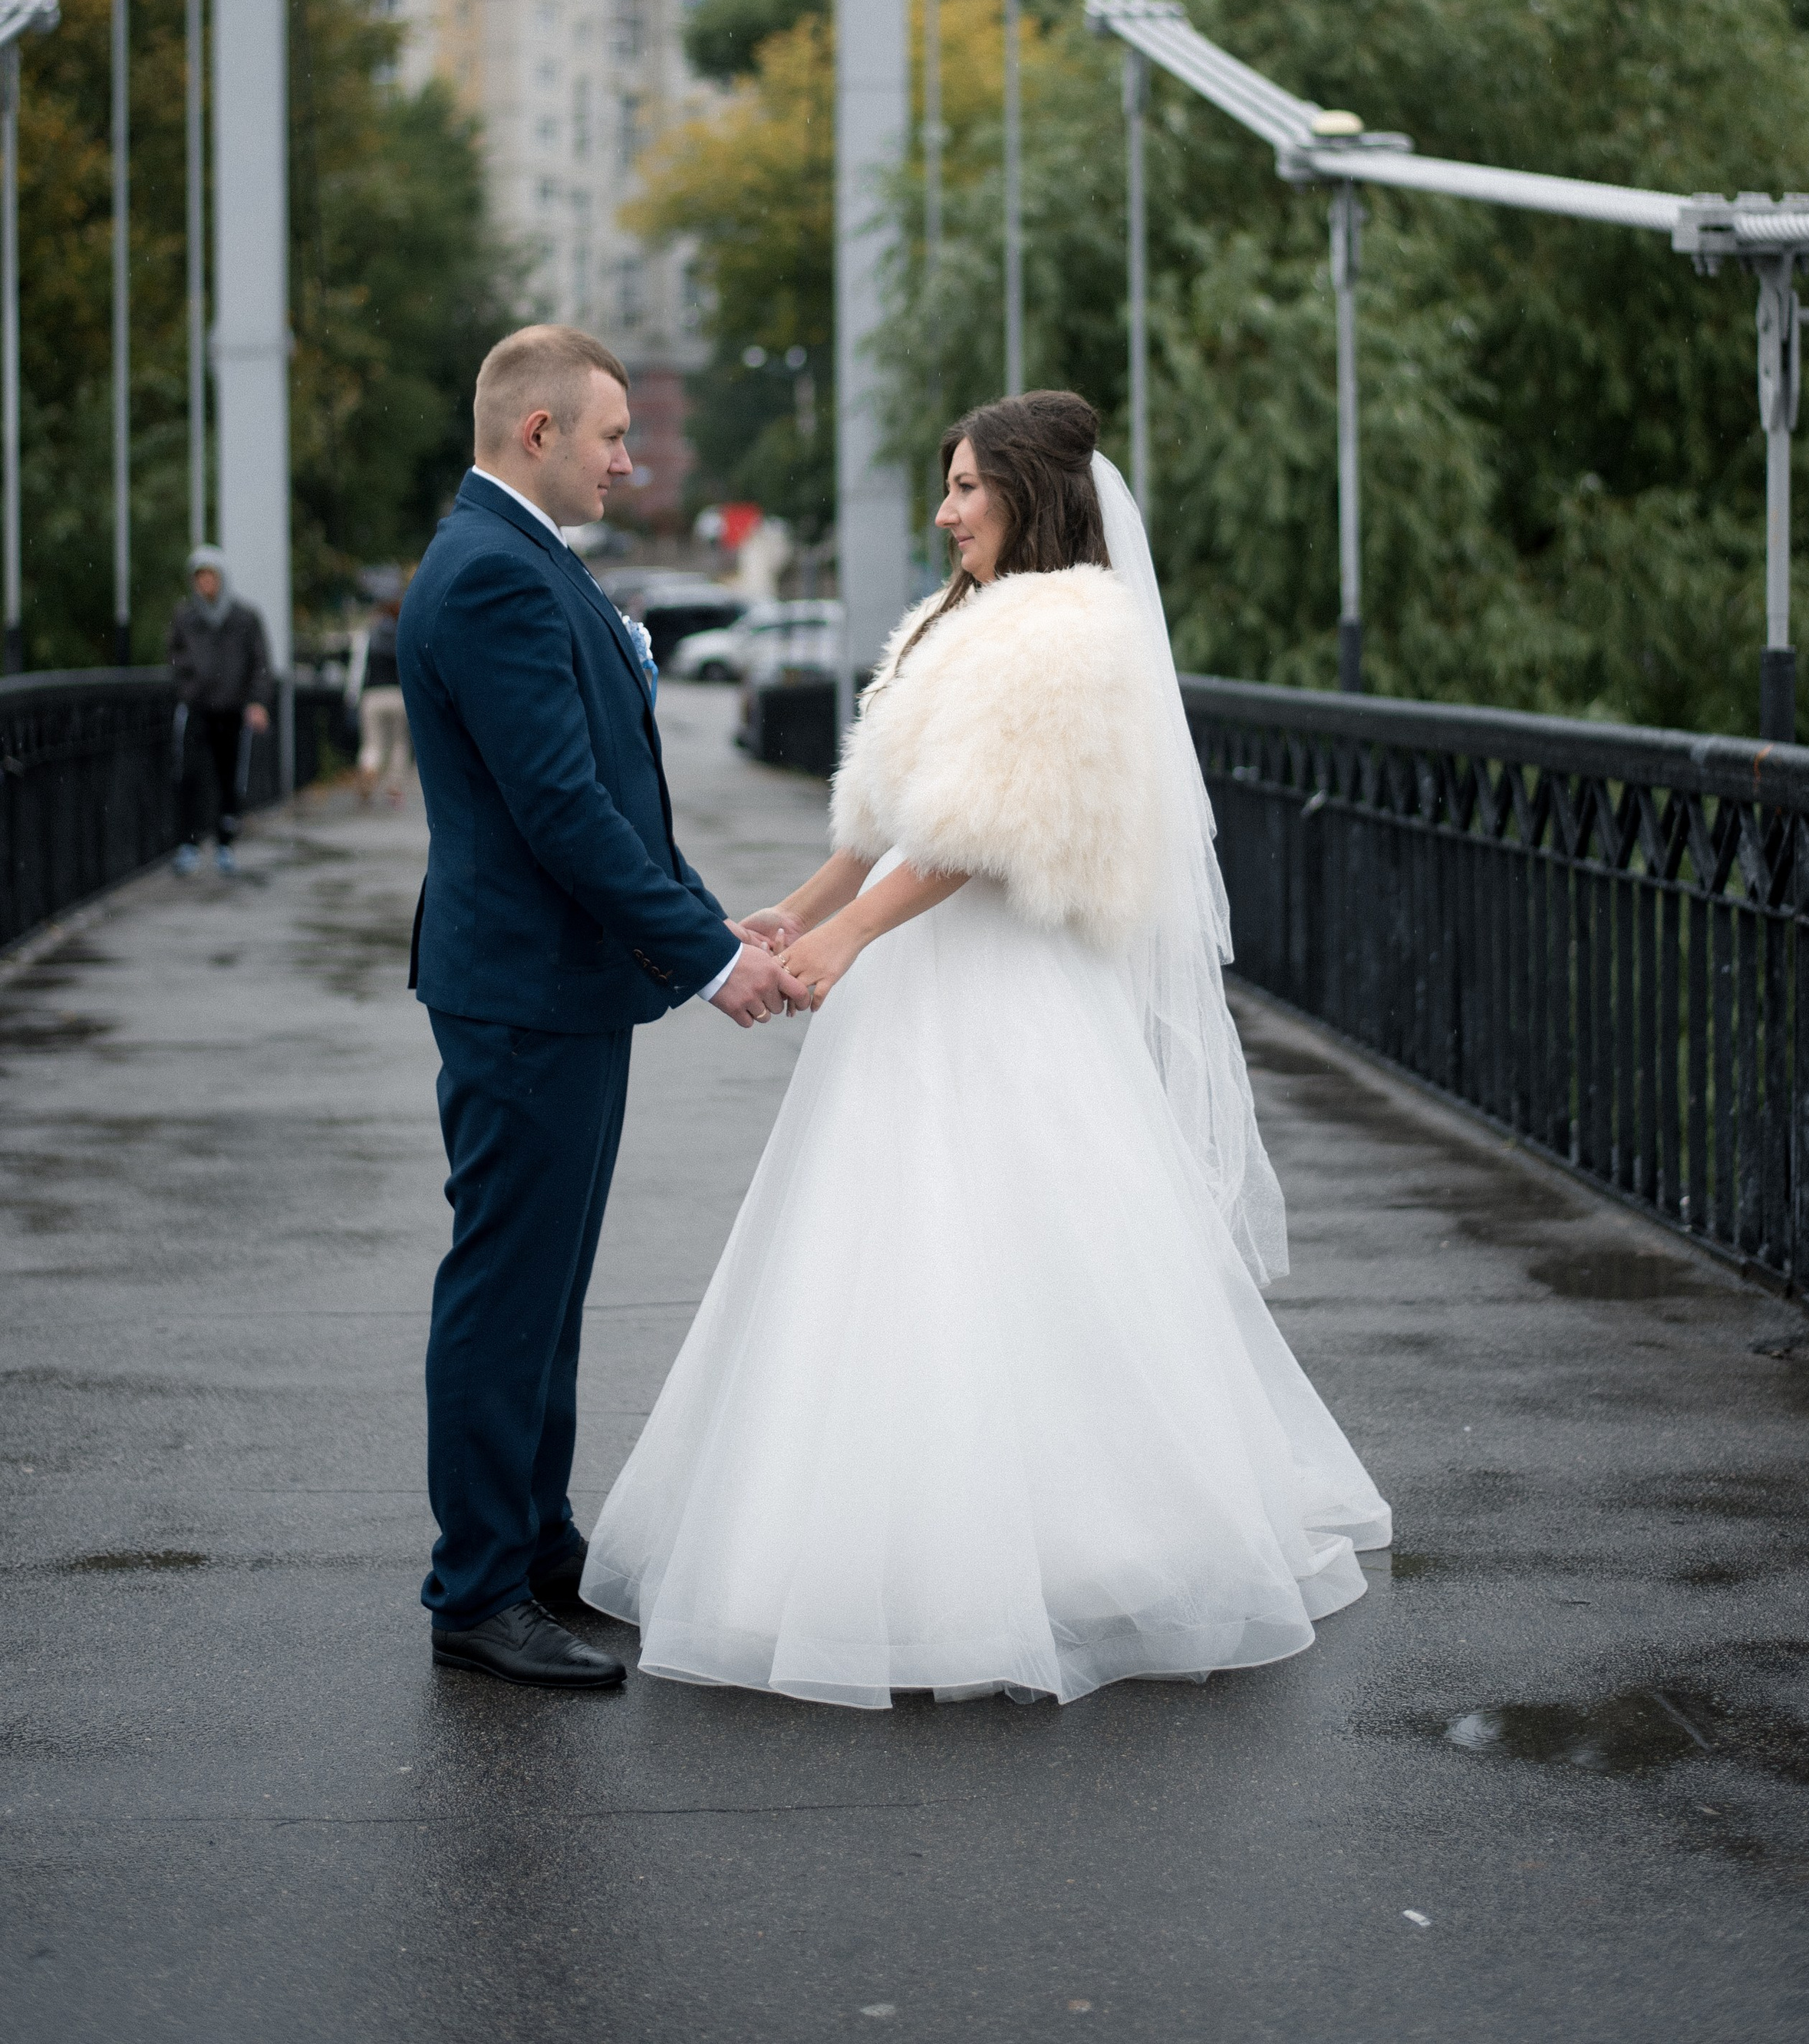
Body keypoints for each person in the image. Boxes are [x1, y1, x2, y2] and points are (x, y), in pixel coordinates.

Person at [584, 391, 1391, 1707]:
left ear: (1029, 492)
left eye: (966, 487)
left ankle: (1081, 1550)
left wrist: (848, 945)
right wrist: (804, 904)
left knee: (1023, 1239)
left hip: (1003, 978)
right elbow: (892, 807)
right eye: (947, 486)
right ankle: (889, 1540)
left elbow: (981, 831)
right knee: (887, 1246)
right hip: (922, 972)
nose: (946, 509)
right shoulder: (953, 619)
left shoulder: (1073, 630)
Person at [396, 324, 808, 1694]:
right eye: (613, 436)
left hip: (554, 989)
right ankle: (475, 1590)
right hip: (522, 993)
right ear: (538, 436)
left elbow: (610, 792)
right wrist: (705, 962)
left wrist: (709, 914)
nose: (631, 461)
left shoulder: (522, 563)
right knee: (508, 1288)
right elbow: (560, 812)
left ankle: (535, 1548)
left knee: (548, 1289)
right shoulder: (496, 578)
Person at [167, 547, 273, 880]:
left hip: (232, 710)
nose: (206, 584)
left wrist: (257, 701)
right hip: (199, 708)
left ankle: (226, 842)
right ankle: (189, 843)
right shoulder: (185, 617)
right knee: (190, 774)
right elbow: (174, 658)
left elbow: (260, 663)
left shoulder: (244, 617)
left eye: (211, 576)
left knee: (230, 777)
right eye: (200, 577)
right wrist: (191, 686)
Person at [348, 576, 413, 806]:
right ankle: (394, 788)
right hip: (398, 695)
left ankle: (369, 767)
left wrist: (352, 697)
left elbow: (357, 669)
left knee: (372, 743)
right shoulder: (402, 633)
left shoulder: (368, 635)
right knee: (399, 743)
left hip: (373, 695)